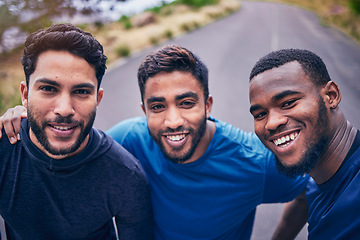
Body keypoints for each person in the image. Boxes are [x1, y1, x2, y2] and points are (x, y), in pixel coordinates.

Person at [0, 45, 308, 240]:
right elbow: (73, 143)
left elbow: (309, 188)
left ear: (208, 105)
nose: (173, 121)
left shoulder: (254, 164)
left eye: (186, 103)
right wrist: (25, 118)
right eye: (158, 107)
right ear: (144, 111)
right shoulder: (127, 139)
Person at [0, 23, 152, 240]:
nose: (64, 109)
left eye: (81, 91)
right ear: (25, 95)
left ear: (97, 99)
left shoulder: (125, 175)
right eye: (48, 89)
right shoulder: (3, 151)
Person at [249, 48, 360, 239]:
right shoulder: (319, 176)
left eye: (288, 102)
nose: (271, 123)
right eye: (260, 114)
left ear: (331, 96)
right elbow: (306, 195)